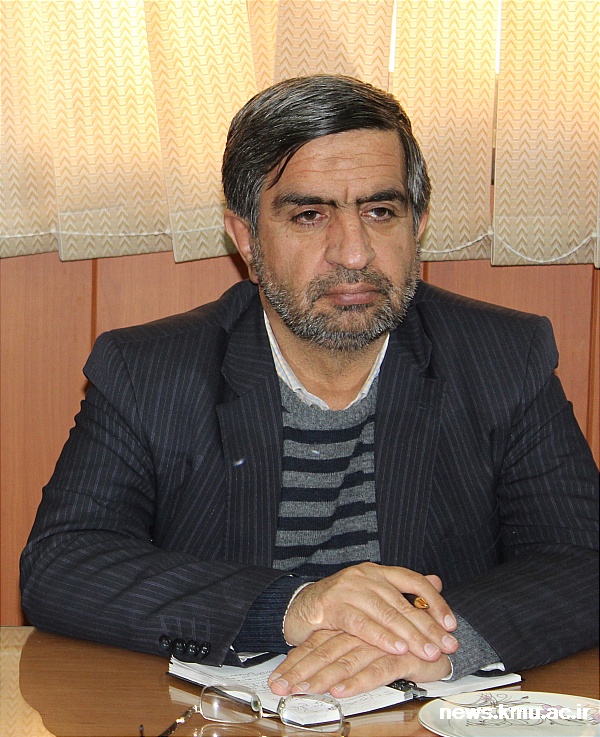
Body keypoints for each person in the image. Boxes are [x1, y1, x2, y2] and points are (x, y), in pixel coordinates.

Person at [21, 75, 598, 700]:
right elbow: (63, 563)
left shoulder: (503, 357)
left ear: (419, 224)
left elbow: (582, 559)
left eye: (380, 212)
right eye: (309, 215)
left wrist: (429, 642)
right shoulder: (150, 370)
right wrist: (295, 604)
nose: (353, 254)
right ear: (246, 238)